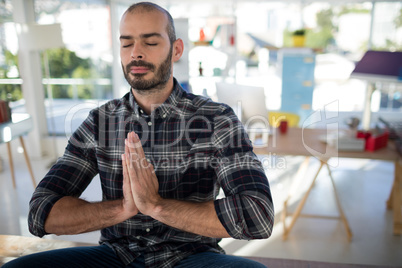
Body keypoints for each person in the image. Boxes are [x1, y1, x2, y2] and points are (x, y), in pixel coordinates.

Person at [4, 2, 274, 268]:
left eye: (150, 42)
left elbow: (258, 216)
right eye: (126, 43)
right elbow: (41, 212)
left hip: (191, 257)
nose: (136, 53)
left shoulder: (216, 119)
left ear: (176, 49)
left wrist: (156, 206)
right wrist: (122, 208)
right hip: (115, 256)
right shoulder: (100, 121)